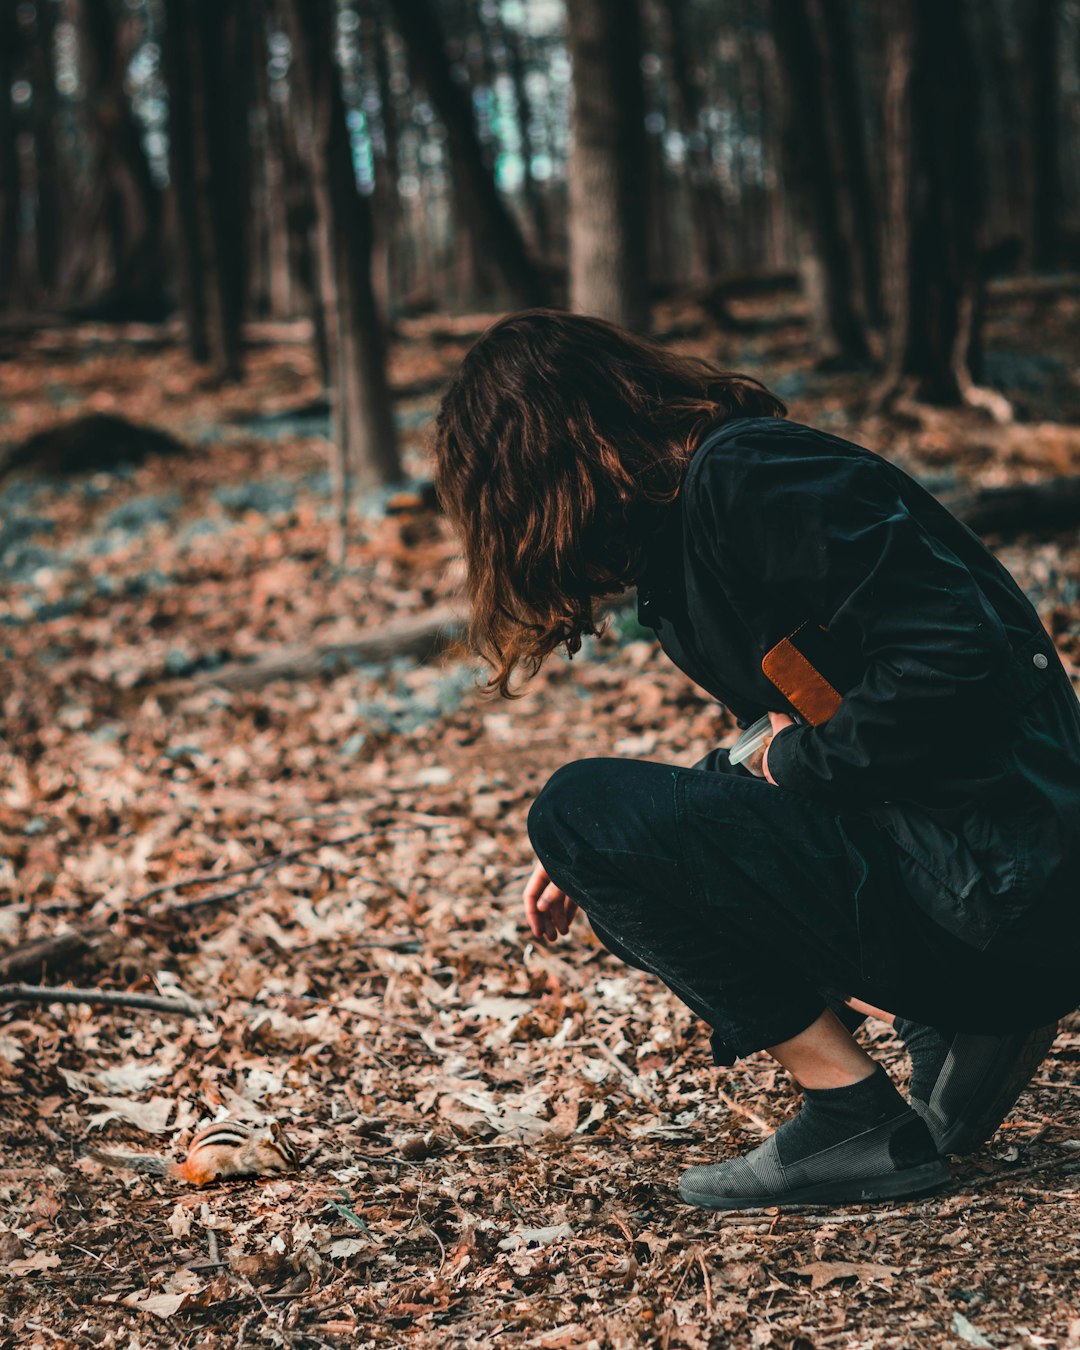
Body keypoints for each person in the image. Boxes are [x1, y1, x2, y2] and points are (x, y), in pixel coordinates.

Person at [432, 308, 1080, 1211]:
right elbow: (797, 732)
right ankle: (961, 1020)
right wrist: (622, 845)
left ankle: (851, 1116)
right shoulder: (694, 531)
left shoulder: (750, 478)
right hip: (992, 895)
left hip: (1007, 898)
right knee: (594, 835)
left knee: (576, 803)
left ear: (550, 458)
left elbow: (957, 661)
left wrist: (778, 773)